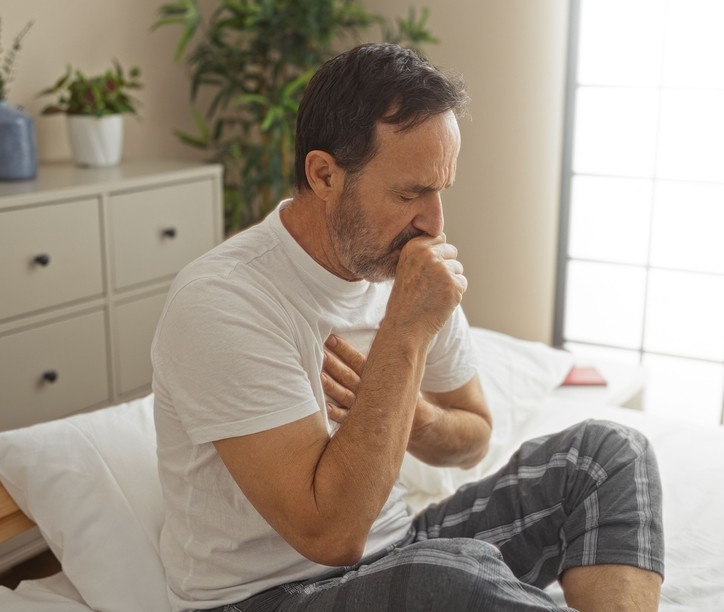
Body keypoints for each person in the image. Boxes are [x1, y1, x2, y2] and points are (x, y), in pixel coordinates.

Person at [151, 43, 664, 612]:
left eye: (440, 190)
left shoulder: (401, 261)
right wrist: (406, 331)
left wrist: (412, 415)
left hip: (400, 550)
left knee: (609, 451)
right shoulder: (223, 301)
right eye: (409, 193)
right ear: (323, 175)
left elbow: (474, 437)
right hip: (262, 598)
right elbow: (332, 536)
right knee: (450, 575)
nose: (434, 222)